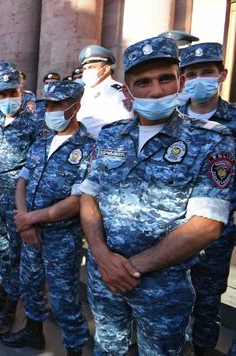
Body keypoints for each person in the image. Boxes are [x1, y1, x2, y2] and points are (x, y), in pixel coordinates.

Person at [79, 36, 234, 355]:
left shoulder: (211, 142)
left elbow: (207, 224)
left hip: (161, 286)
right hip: (103, 276)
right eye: (143, 82)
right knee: (107, 347)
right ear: (128, 88)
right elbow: (89, 197)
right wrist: (103, 256)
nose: (155, 89)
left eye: (165, 79)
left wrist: (131, 267)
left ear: (179, 81)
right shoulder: (112, 135)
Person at [3, 81, 94, 355]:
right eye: (48, 105)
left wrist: (30, 219)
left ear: (75, 107)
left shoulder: (89, 148)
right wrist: (23, 217)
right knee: (30, 285)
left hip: (61, 238)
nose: (50, 110)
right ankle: (33, 334)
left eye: (57, 105)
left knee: (64, 298)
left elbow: (77, 201)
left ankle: (74, 349)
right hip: (29, 229)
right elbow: (22, 179)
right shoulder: (42, 142)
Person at [178, 42, 236, 355]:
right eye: (191, 74)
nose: (199, 80)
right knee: (163, 300)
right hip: (168, 230)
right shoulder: (168, 120)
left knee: (207, 304)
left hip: (215, 234)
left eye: (207, 73)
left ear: (222, 75)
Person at [0, 61, 37, 339]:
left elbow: (37, 166)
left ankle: (12, 308)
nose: (7, 98)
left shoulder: (34, 123)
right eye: (2, 94)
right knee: (1, 253)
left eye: (12, 92)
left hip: (18, 203)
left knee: (15, 257)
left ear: (22, 90)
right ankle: (3, 296)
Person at [76, 44, 133, 137]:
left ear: (105, 69)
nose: (86, 71)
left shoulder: (119, 91)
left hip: (103, 145)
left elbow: (124, 124)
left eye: (91, 67)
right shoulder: (81, 91)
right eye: (85, 68)